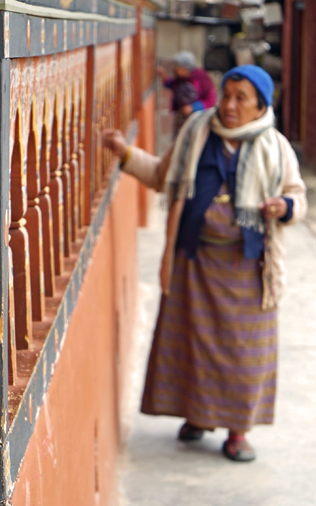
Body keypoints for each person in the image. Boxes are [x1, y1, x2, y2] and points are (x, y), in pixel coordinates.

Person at [103, 65, 308, 462]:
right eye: (226, 95)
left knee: (244, 354)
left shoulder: (276, 146)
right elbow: (164, 176)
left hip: (248, 269)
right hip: (193, 262)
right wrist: (124, 153)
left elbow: (297, 197)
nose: (229, 106)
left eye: (240, 99)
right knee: (192, 346)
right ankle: (197, 416)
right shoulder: (197, 132)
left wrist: (283, 206)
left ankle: (237, 432)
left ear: (260, 106)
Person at [158, 51, 217, 135]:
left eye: (177, 66)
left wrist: (193, 107)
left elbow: (211, 99)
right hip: (181, 119)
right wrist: (163, 76)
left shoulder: (201, 79)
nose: (175, 68)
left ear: (185, 67)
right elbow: (172, 84)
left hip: (197, 119)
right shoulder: (180, 79)